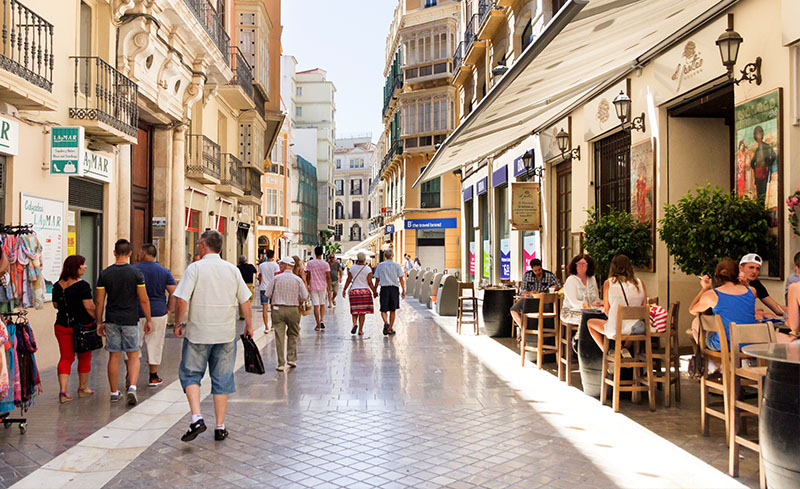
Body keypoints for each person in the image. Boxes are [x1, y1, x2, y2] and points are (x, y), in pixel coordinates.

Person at [173, 230, 253, 442]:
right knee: (222, 379)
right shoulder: (232, 270)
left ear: (203, 246)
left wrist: (178, 322)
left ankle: (197, 417)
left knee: (191, 374)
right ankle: (220, 426)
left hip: (198, 332)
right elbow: (245, 300)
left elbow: (181, 299)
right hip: (225, 333)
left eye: (199, 243)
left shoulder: (195, 269)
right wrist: (249, 326)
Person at [95, 239, 152, 406]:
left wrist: (99, 321)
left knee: (114, 355)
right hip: (130, 319)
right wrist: (148, 319)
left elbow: (99, 301)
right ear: (129, 254)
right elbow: (143, 299)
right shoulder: (136, 274)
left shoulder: (105, 274)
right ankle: (132, 387)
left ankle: (113, 392)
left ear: (114, 253)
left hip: (112, 319)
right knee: (133, 354)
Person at [52, 255, 96, 403]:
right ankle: (83, 388)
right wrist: (99, 318)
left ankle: (63, 391)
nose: (85, 267)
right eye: (82, 265)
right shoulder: (82, 286)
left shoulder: (57, 286)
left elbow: (56, 305)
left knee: (66, 358)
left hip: (62, 325)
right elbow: (89, 306)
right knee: (84, 356)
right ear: (75, 267)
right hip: (82, 326)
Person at [689, 258, 756, 351]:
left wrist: (704, 289)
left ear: (717, 276)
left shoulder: (713, 294)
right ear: (737, 274)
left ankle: (710, 361)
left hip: (725, 344)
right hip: (750, 343)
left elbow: (692, 310)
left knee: (696, 323)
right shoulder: (751, 291)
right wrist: (746, 283)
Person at [134, 244, 177, 387]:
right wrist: (169, 309)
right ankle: (153, 376)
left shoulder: (133, 270)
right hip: (158, 312)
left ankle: (130, 374)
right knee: (155, 343)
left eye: (140, 252)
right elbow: (173, 293)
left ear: (144, 254)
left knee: (133, 345)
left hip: (135, 312)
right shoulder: (164, 271)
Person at [587, 254, 648, 351]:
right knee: (631, 327)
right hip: (637, 328)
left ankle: (608, 353)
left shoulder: (609, 283)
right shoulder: (640, 283)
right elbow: (644, 307)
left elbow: (607, 311)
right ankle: (624, 349)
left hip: (616, 329)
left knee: (590, 323)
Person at [265, 256, 308, 371]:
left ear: (285, 265)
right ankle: (291, 358)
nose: (280, 266)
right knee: (293, 334)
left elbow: (267, 294)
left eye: (281, 264)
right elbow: (304, 297)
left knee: (279, 336)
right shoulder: (297, 280)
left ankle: (280, 363)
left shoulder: (276, 278)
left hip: (278, 309)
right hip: (293, 309)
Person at [510, 258, 562, 332]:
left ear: (541, 267)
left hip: (545, 302)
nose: (538, 272)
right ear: (532, 269)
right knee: (513, 310)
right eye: (535, 271)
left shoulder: (549, 275)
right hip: (530, 300)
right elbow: (522, 292)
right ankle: (523, 329)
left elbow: (559, 287)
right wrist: (530, 292)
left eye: (539, 270)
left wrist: (554, 288)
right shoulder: (527, 275)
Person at [738, 253, 786, 318]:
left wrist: (795, 310)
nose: (754, 271)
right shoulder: (732, 281)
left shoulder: (756, 284)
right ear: (741, 268)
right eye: (751, 267)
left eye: (758, 269)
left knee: (770, 316)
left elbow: (777, 309)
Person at [560, 254, 602, 327]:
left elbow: (596, 298)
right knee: (587, 318)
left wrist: (598, 303)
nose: (580, 266)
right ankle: (578, 337)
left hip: (590, 311)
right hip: (570, 311)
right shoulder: (571, 280)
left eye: (584, 264)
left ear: (588, 266)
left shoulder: (592, 279)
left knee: (603, 317)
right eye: (578, 264)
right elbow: (574, 302)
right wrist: (588, 306)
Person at [343, 252, 378, 335]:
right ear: (365, 258)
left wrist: (344, 289)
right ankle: (361, 330)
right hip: (365, 292)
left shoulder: (352, 268)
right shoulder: (368, 269)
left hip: (354, 292)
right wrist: (374, 292)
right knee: (362, 312)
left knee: (354, 310)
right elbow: (370, 282)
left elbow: (348, 280)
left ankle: (355, 323)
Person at [373, 249, 406, 336]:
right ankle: (390, 328)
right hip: (394, 289)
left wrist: (374, 290)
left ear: (384, 256)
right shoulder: (397, 265)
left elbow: (377, 279)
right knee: (393, 309)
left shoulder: (380, 265)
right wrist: (403, 290)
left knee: (383, 309)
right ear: (392, 256)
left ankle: (386, 322)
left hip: (384, 289)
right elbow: (401, 279)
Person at [305, 246, 332, 331]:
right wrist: (329, 287)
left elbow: (308, 275)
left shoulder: (310, 263)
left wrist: (307, 285)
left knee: (315, 306)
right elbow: (328, 276)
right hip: (323, 286)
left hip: (313, 286)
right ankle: (322, 320)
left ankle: (317, 324)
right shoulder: (325, 264)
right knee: (322, 304)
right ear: (322, 253)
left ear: (315, 253)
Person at [257, 249, 280, 333]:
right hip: (273, 288)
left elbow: (259, 276)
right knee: (273, 307)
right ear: (273, 256)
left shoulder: (262, 265)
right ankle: (273, 325)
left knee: (264, 308)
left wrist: (260, 283)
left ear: (266, 255)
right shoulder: (275, 265)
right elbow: (276, 277)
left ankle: (266, 327)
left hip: (263, 288)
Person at [236, 255, 257, 320]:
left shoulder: (238, 267)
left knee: (241, 300)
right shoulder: (250, 266)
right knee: (249, 300)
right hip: (249, 285)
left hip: (241, 285)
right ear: (246, 260)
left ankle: (242, 315)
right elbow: (255, 271)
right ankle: (247, 313)